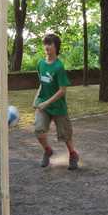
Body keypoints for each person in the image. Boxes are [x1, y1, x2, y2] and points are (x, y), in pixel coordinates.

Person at [33, 34, 79, 169]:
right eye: (45, 44)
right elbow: (42, 83)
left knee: (65, 135)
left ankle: (73, 154)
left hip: (58, 107)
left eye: (50, 44)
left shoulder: (59, 67)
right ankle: (47, 150)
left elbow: (62, 90)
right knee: (39, 131)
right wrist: (36, 99)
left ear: (56, 47)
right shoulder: (40, 64)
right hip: (43, 105)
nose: (47, 46)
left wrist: (47, 102)